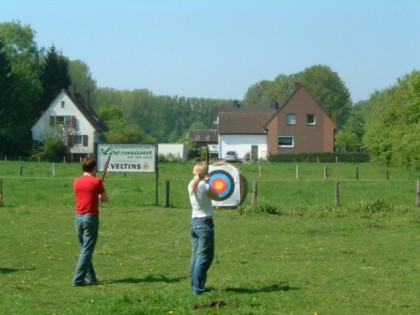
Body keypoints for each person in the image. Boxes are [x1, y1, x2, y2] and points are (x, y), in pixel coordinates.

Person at [72, 155, 108, 286]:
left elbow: (85, 196)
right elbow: (105, 199)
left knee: (84, 250)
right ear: (93, 168)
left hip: (78, 218)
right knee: (87, 251)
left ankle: (91, 276)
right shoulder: (96, 181)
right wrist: (99, 196)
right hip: (90, 218)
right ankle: (78, 279)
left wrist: (96, 196)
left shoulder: (76, 181)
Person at [188, 163, 220, 294]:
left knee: (196, 256)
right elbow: (217, 196)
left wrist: (205, 182)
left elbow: (202, 189)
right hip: (204, 224)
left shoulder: (191, 183)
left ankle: (195, 285)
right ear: (204, 173)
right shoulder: (203, 185)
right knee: (205, 257)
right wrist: (207, 183)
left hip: (194, 223)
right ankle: (198, 288)